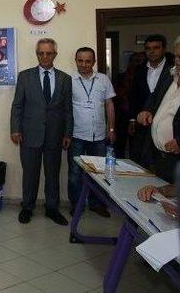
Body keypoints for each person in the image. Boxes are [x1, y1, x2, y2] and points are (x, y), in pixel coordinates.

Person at [10, 38, 73, 225]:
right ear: (37, 54)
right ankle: (27, 207)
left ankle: (52, 208)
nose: (44, 56)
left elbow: (68, 109)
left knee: (53, 173)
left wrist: (68, 133)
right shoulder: (25, 76)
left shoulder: (65, 79)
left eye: (49, 53)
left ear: (55, 54)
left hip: (55, 134)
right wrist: (15, 129)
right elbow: (17, 106)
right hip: (29, 133)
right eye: (41, 53)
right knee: (30, 173)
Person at [68, 47, 116, 218]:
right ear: (76, 60)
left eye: (88, 61)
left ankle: (97, 204)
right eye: (80, 60)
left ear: (94, 62)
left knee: (99, 173)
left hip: (100, 137)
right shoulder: (69, 80)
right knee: (75, 174)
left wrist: (111, 128)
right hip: (76, 135)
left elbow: (109, 105)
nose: (84, 64)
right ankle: (76, 205)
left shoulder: (103, 79)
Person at [136, 35, 180, 184]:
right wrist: (146, 110)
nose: (178, 61)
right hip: (159, 155)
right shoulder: (170, 74)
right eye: (177, 56)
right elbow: (154, 97)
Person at [128, 34, 175, 168]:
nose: (152, 51)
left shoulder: (172, 70)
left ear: (164, 49)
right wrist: (132, 119)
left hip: (165, 123)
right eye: (148, 48)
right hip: (142, 122)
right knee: (139, 159)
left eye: (156, 48)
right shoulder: (139, 69)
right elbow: (133, 95)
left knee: (162, 162)